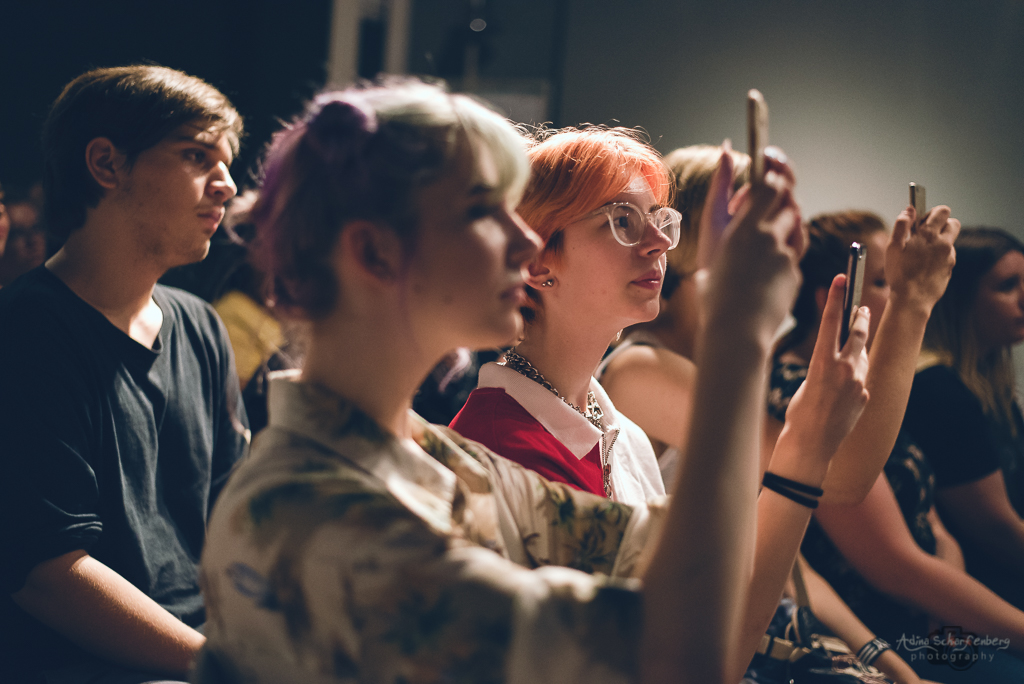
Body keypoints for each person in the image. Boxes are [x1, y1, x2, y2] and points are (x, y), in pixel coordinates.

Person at [196, 79, 865, 684]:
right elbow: (676, 658)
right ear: (374, 252)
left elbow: (700, 572)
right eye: (482, 210)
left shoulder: (434, 459)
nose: (524, 242)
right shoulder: (324, 519)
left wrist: (800, 446)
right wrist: (737, 338)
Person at [0, 65, 249, 683]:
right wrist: (228, 667)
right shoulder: (26, 332)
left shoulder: (201, 325)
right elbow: (48, 574)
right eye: (197, 156)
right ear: (106, 164)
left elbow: (235, 523)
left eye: (227, 163)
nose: (226, 185)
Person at [769, 212, 1024, 681]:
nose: (897, 292)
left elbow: (933, 522)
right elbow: (895, 567)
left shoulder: (866, 380)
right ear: (834, 299)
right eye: (885, 282)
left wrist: (947, 603)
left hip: (932, 611)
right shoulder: (797, 394)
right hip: (881, 633)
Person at [903, 227, 1024, 611]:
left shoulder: (990, 385)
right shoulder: (938, 390)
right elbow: (995, 531)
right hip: (981, 601)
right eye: (1007, 286)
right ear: (958, 299)